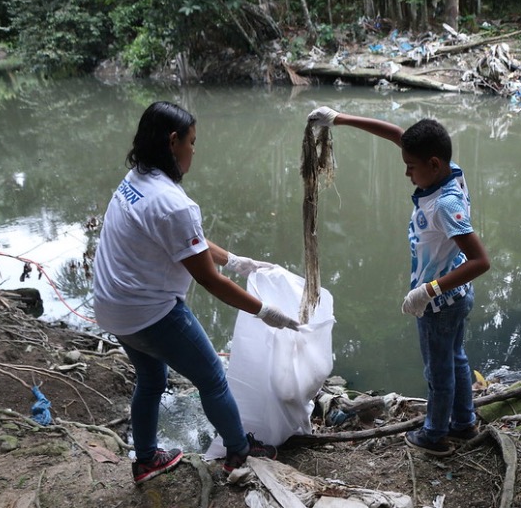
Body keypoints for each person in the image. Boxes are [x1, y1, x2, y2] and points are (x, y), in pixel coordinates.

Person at [93, 101, 300, 484]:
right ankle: (239, 452)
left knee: (152, 380)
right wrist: (265, 310)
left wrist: (235, 260)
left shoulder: (137, 180)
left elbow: (189, 241)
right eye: (192, 141)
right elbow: (209, 280)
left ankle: (146, 460)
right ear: (173, 142)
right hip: (149, 312)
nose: (194, 150)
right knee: (212, 379)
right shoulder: (174, 204)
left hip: (111, 306)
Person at [307, 106, 490, 456]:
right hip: (456, 296)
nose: (406, 173)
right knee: (455, 359)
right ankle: (464, 423)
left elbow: (481, 261)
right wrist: (341, 119)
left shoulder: (445, 204)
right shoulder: (448, 171)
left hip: (440, 301)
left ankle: (434, 435)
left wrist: (428, 291)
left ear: (433, 164)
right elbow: (396, 134)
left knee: (438, 371)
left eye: (411, 168)